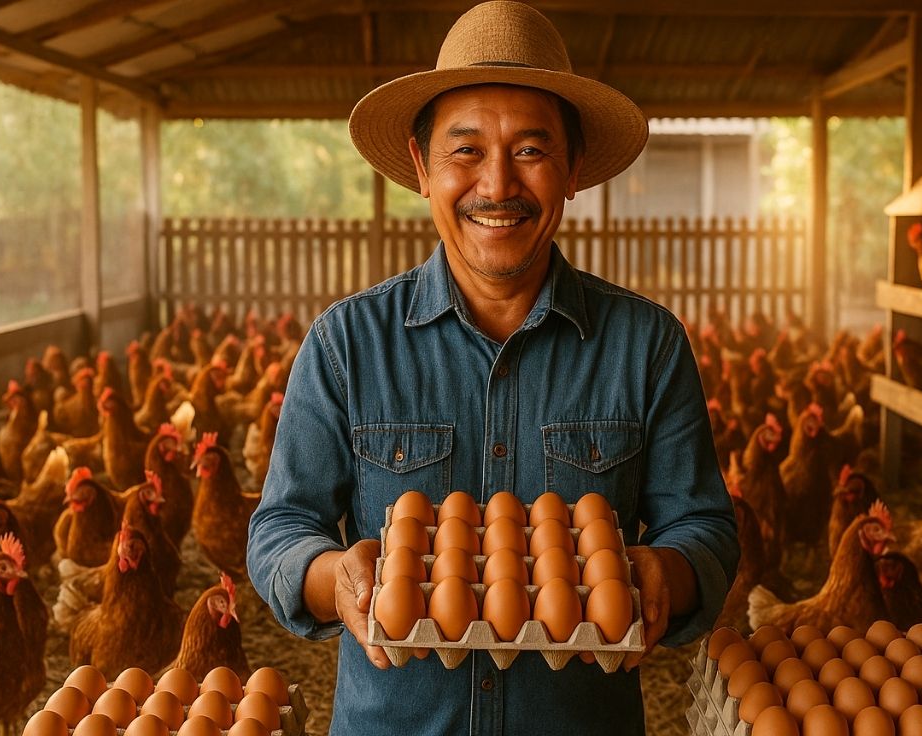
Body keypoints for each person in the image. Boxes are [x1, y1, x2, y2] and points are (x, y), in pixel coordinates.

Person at [247, 3, 738, 734]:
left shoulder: (646, 345)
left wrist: (665, 573)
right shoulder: (348, 343)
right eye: (466, 151)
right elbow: (281, 528)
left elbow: (704, 526)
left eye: (531, 150)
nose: (498, 184)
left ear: (573, 169)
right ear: (423, 168)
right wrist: (333, 578)